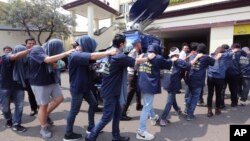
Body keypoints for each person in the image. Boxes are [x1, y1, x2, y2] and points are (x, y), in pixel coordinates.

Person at [85, 34, 155, 141]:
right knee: (107, 116)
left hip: (112, 89)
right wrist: (148, 58)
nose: (126, 44)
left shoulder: (110, 53)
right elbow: (135, 62)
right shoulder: (119, 56)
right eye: (125, 43)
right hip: (110, 91)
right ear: (121, 44)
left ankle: (116, 136)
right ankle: (91, 136)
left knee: (117, 113)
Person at [63, 35, 117, 141]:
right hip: (78, 88)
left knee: (93, 104)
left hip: (86, 87)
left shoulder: (82, 53)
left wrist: (96, 66)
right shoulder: (76, 54)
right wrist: (109, 52)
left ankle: (91, 127)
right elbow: (92, 56)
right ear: (87, 44)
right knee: (74, 111)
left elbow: (92, 60)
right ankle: (68, 134)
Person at [29, 39, 75, 138]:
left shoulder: (52, 52)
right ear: (53, 46)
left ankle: (44, 116)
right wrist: (66, 53)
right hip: (39, 82)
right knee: (43, 105)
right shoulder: (37, 49)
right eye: (59, 49)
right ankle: (43, 128)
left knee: (59, 99)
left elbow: (59, 64)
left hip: (52, 80)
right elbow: (48, 60)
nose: (60, 51)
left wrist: (58, 64)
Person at [136, 44, 175, 140]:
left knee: (147, 102)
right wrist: (173, 59)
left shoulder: (142, 55)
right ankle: (141, 131)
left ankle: (153, 116)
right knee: (147, 106)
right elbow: (168, 64)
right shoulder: (158, 57)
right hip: (149, 84)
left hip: (142, 82)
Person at [1, 45, 31, 132]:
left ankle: (16, 124)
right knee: (5, 107)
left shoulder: (24, 62)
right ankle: (8, 120)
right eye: (23, 52)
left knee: (19, 106)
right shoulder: (6, 57)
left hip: (19, 87)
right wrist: (29, 50)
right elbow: (16, 56)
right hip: (5, 87)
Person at [160, 47, 190, 126]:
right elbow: (188, 66)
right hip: (172, 84)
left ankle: (177, 109)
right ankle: (163, 119)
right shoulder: (178, 61)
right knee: (169, 102)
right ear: (177, 54)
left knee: (172, 97)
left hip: (166, 83)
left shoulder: (167, 60)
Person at [185, 43, 215, 121]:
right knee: (195, 98)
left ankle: (186, 111)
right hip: (198, 80)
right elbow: (213, 62)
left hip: (190, 78)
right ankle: (190, 115)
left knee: (190, 96)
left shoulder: (192, 55)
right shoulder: (206, 57)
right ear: (205, 50)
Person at [121, 39, 143, 121]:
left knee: (138, 89)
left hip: (135, 74)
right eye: (140, 43)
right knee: (129, 93)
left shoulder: (137, 51)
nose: (141, 44)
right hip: (131, 75)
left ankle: (139, 105)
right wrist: (139, 60)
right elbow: (131, 63)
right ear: (137, 44)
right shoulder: (133, 52)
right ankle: (122, 113)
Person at [206, 46, 232, 117]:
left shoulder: (211, 56)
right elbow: (231, 52)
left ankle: (209, 110)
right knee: (218, 94)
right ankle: (217, 109)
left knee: (210, 94)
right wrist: (224, 52)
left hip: (210, 77)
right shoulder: (225, 57)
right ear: (223, 51)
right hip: (219, 78)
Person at [25, 38, 39, 116]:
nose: (31, 45)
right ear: (26, 44)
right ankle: (33, 109)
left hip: (38, 77)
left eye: (33, 43)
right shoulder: (23, 54)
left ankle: (41, 109)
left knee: (39, 95)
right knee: (31, 95)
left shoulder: (39, 53)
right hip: (28, 78)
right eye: (29, 43)